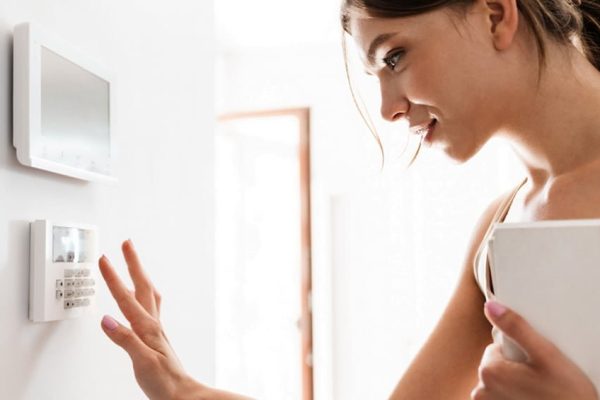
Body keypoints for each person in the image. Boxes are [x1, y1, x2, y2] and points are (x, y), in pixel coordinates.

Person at [98, 0, 600, 398]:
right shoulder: (498, 230)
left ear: (495, 14)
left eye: (395, 57)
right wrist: (183, 391)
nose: (387, 108)